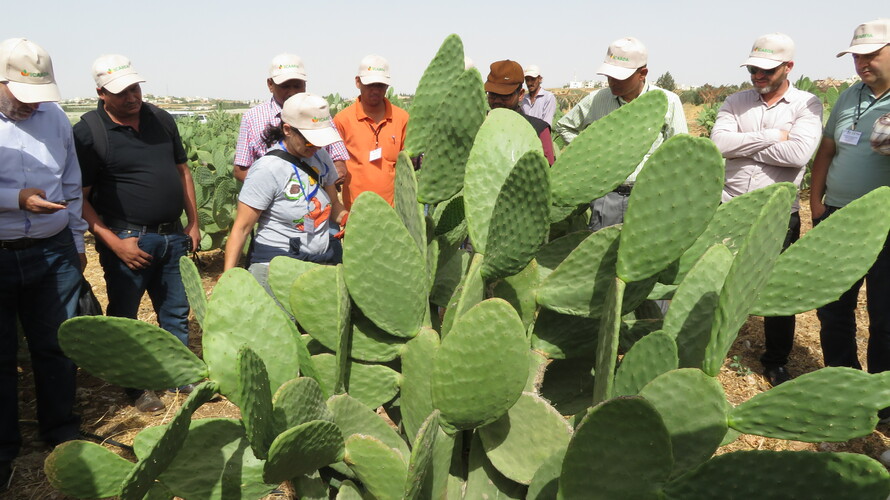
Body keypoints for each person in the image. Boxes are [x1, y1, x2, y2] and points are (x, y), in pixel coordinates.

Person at [73, 55, 200, 413]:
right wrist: (114, 243)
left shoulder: (160, 118)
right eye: (121, 92)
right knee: (125, 316)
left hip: (173, 235)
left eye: (135, 88)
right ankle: (134, 384)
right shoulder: (88, 132)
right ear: (101, 93)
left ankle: (179, 372)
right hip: (127, 239)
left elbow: (182, 172)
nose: (132, 97)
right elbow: (79, 198)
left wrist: (193, 223)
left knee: (175, 311)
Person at [710, 33, 822, 386]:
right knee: (715, 281)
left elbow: (799, 155)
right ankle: (712, 346)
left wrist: (741, 147)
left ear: (788, 67)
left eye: (766, 70)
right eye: (753, 68)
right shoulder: (735, 101)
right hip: (729, 207)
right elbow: (718, 145)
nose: (757, 75)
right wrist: (775, 136)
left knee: (776, 290)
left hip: (776, 214)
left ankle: (775, 360)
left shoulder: (807, 104)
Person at [0, 38, 86, 487]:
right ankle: (3, 449)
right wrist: (17, 200)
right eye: (23, 96)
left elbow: (70, 183)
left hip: (53, 252)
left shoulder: (55, 118)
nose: (33, 107)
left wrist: (76, 241)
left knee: (56, 346)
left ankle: (61, 430)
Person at [809, 19, 890, 415]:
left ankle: (882, 401)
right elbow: (827, 150)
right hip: (838, 217)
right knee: (832, 307)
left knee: (885, 314)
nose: (862, 63)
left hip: (885, 225)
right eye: (857, 56)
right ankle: (843, 387)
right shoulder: (848, 96)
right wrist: (816, 203)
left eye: (871, 54)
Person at [554, 37, 687, 230]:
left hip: (649, 196)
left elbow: (680, 153)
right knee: (600, 256)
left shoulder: (669, 102)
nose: (612, 81)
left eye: (620, 76)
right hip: (606, 196)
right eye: (609, 75)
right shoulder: (597, 99)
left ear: (643, 73)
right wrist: (588, 151)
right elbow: (564, 126)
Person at [225, 93, 348, 287]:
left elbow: (334, 207)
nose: (315, 146)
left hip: (319, 263)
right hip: (276, 268)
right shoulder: (267, 168)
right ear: (288, 130)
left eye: (320, 140)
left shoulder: (321, 157)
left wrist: (350, 220)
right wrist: (228, 282)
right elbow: (241, 228)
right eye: (309, 140)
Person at [234, 54, 349, 184]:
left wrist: (338, 172)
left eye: (297, 86)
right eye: (285, 86)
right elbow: (241, 169)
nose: (292, 92)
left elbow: (337, 155)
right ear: (270, 84)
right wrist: (275, 189)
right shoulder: (252, 118)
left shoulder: (318, 112)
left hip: (316, 194)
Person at [333, 55, 409, 209]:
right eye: (370, 84)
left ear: (387, 85)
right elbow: (334, 160)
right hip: (356, 212)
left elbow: (408, 161)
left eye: (380, 85)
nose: (375, 90)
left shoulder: (402, 118)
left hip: (393, 213)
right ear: (358, 82)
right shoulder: (342, 120)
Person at [485, 60, 555, 165]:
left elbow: (548, 172)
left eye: (505, 95)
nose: (497, 100)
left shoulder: (539, 129)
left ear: (521, 94)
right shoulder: (479, 125)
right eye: (493, 95)